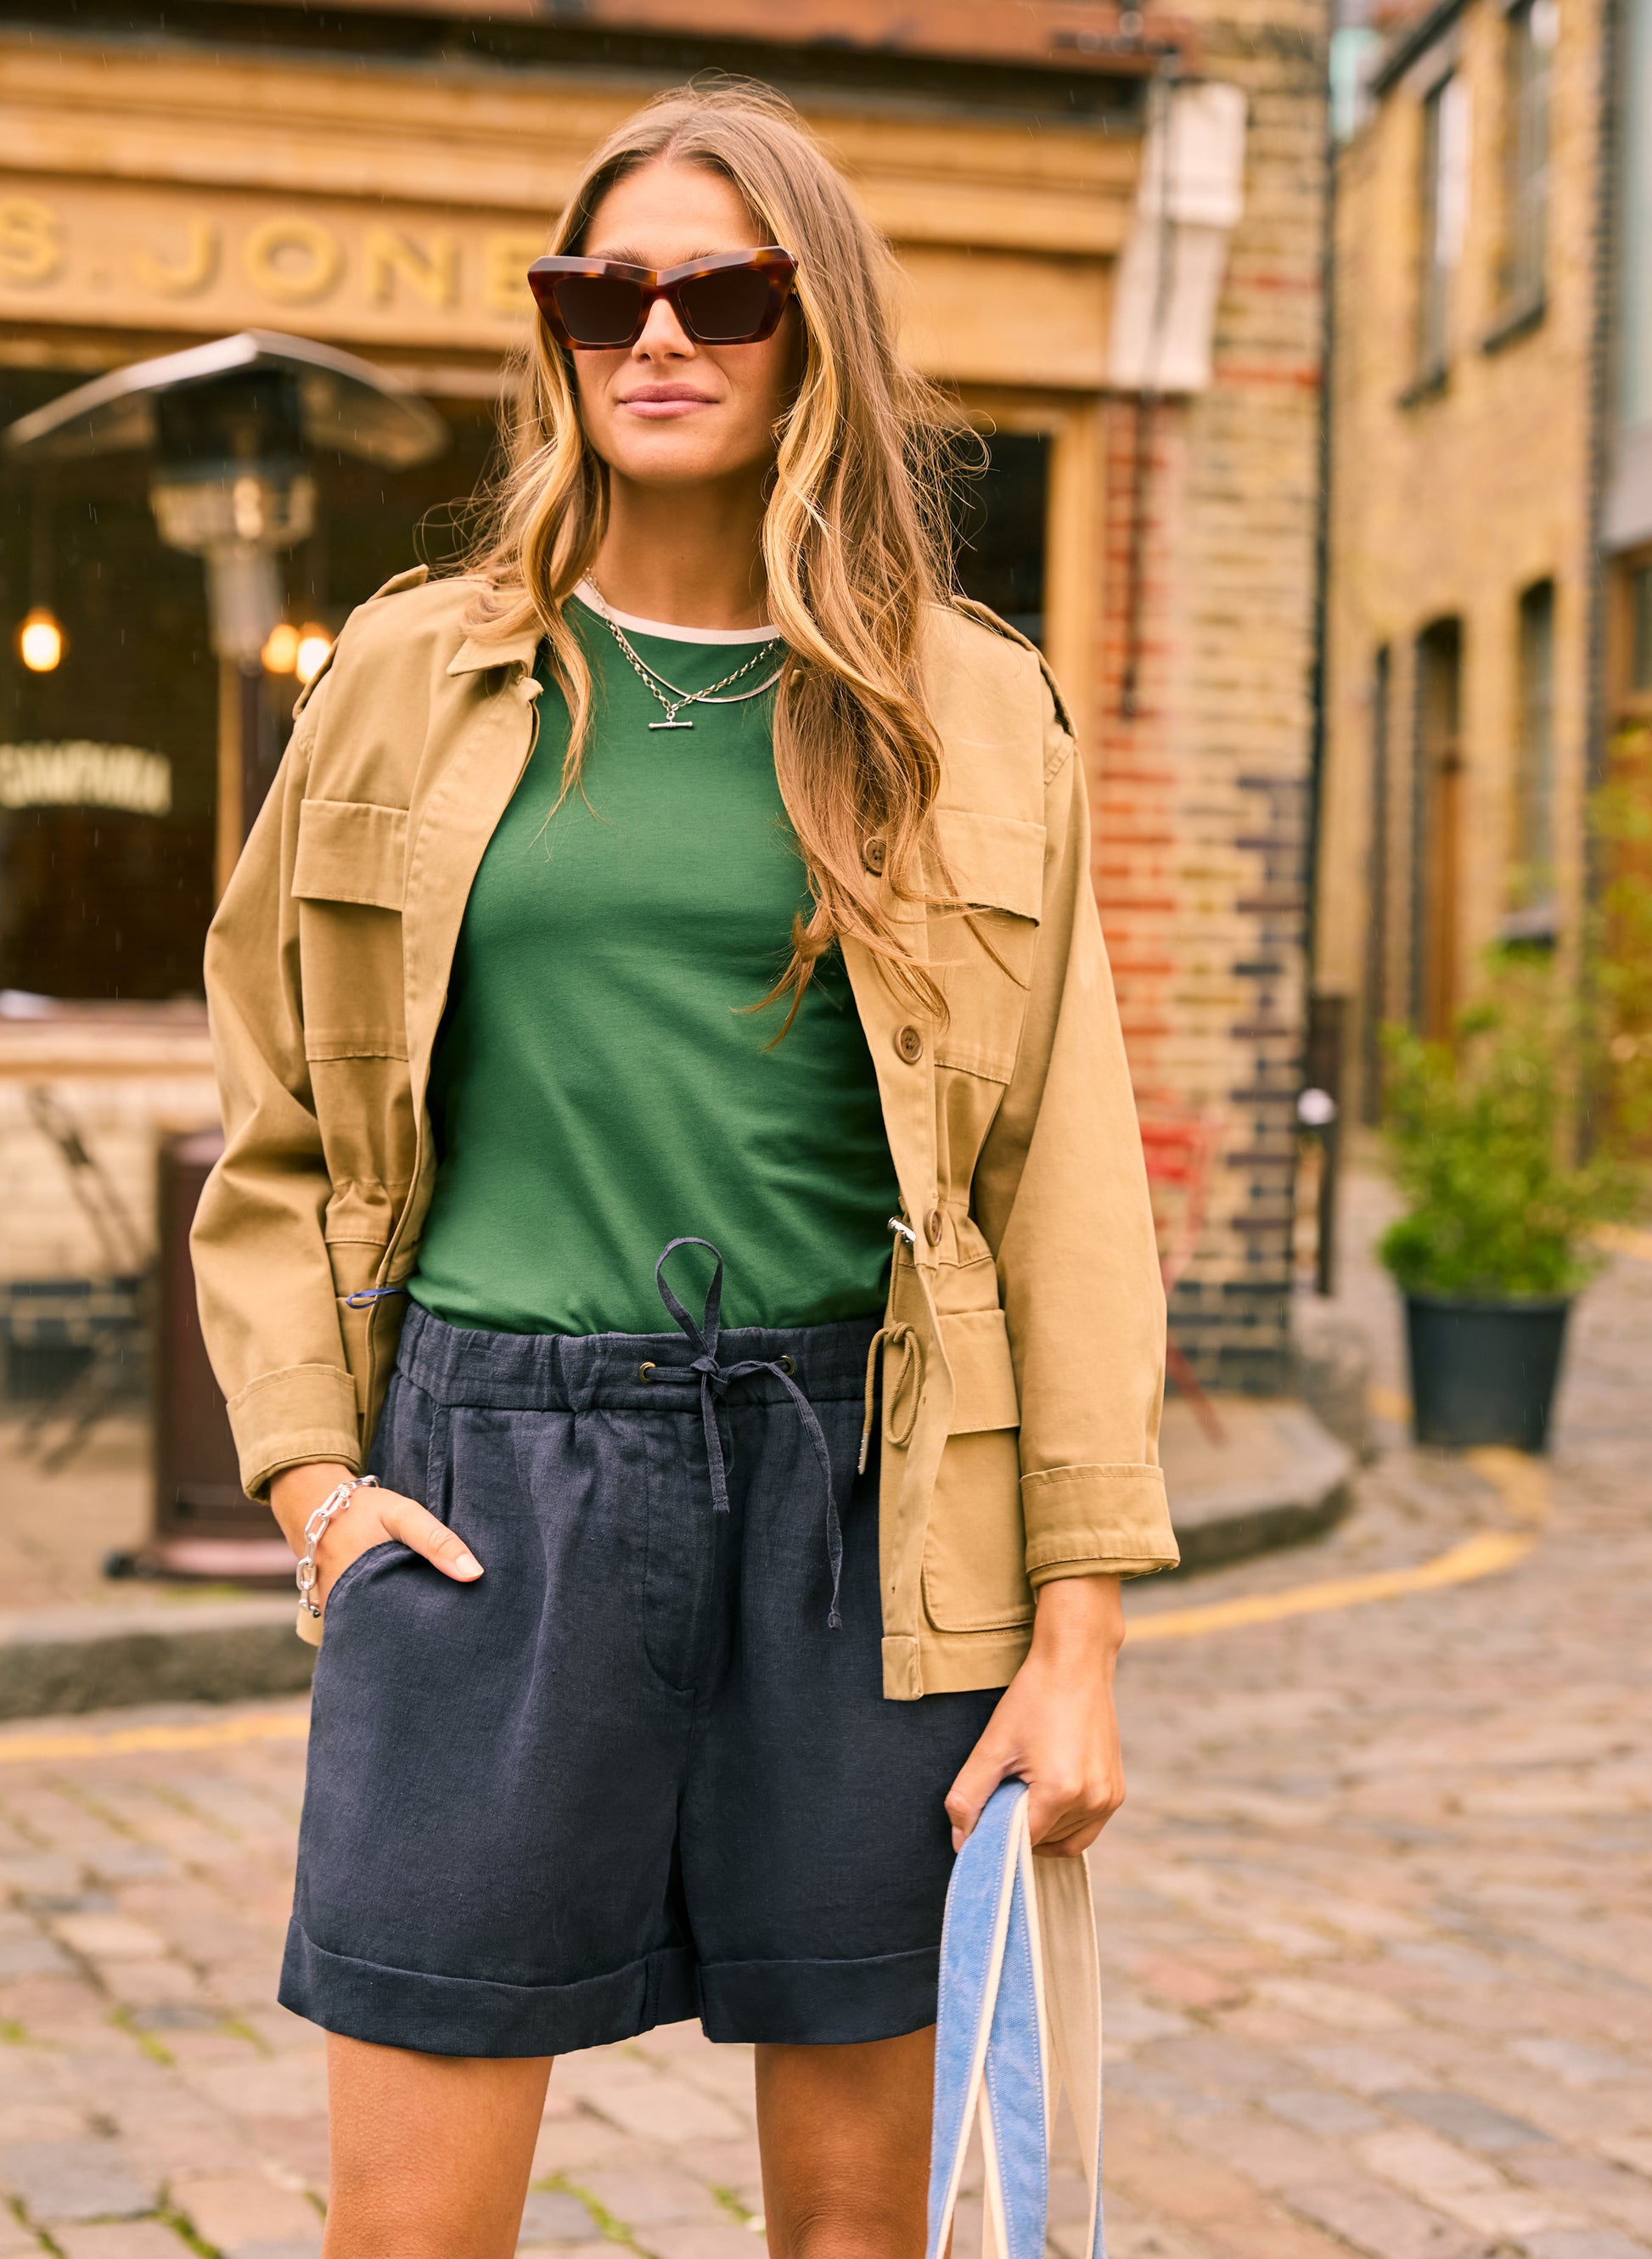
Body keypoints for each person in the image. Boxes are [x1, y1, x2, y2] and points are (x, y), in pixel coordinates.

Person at [193, 81, 1177, 2259]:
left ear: (814, 331)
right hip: (490, 1487)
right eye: (603, 290)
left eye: (721, 292)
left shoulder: (967, 707)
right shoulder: (408, 673)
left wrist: (1080, 1631)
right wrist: (313, 1485)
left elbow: (1061, 1185)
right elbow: (275, 1115)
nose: (655, 333)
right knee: (409, 2236)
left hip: (867, 1501)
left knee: (855, 2233)